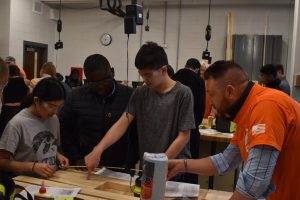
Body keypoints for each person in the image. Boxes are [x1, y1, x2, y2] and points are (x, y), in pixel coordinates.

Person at [168, 60, 300, 200]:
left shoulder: (266, 106)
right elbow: (225, 161)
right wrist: (181, 165)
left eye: (211, 95)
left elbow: (255, 183)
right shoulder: (248, 111)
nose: (210, 103)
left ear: (229, 91)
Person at [85, 42, 195, 181]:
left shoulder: (183, 93)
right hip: (149, 168)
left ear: (163, 70)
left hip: (173, 168)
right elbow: (122, 123)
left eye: (148, 75)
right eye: (141, 75)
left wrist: (160, 163)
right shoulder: (141, 93)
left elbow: (184, 136)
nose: (144, 80)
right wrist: (98, 149)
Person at [59, 54, 139, 170]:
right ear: (86, 79)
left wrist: (130, 161)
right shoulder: (75, 97)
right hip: (85, 164)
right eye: (93, 83)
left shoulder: (129, 96)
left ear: (112, 72)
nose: (100, 86)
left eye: (104, 80)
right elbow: (65, 130)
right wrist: (75, 158)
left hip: (121, 166)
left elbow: (136, 133)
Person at [0, 78, 69, 178]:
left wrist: (58, 156)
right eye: (51, 106)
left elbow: (50, 145)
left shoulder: (54, 119)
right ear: (37, 100)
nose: (55, 111)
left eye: (59, 107)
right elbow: (2, 162)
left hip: (50, 181)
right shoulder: (17, 123)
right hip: (26, 185)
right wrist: (32, 167)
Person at [172, 58, 205, 184]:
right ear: (197, 69)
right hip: (191, 130)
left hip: (173, 132)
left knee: (173, 169)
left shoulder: (174, 76)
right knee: (189, 168)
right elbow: (201, 108)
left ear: (186, 65)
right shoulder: (199, 81)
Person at [0, 65, 29, 136]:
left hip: (7, 109)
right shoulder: (25, 81)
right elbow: (28, 94)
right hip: (20, 109)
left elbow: (2, 98)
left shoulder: (4, 82)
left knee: (4, 132)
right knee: (20, 133)